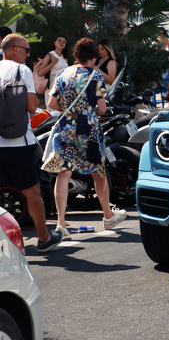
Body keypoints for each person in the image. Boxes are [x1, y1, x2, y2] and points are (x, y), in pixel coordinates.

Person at [42, 38, 126, 238]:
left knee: (63, 174)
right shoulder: (96, 75)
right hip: (89, 129)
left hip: (66, 129)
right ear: (93, 57)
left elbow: (52, 103)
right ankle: (107, 216)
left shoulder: (63, 73)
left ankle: (61, 224)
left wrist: (71, 113)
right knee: (98, 173)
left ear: (76, 55)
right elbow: (103, 108)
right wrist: (86, 112)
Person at [0, 34, 63, 252]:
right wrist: (36, 95)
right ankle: (44, 238)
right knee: (32, 191)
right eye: (26, 51)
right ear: (14, 50)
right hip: (18, 142)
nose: (28, 55)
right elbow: (30, 106)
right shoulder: (21, 70)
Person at [39, 35, 69, 112]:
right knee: (51, 109)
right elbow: (41, 72)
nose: (61, 43)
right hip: (53, 83)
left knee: (61, 109)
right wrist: (52, 63)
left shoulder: (64, 57)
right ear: (55, 43)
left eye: (64, 41)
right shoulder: (50, 55)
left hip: (64, 84)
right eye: (59, 41)